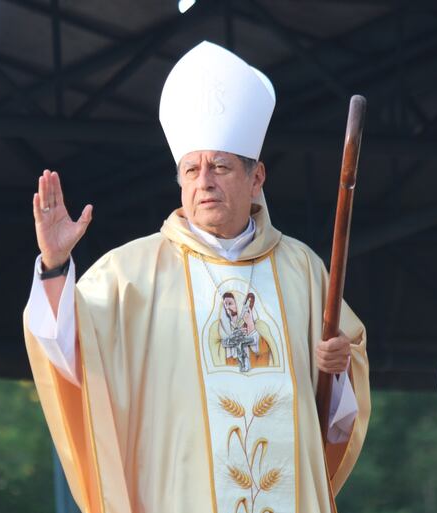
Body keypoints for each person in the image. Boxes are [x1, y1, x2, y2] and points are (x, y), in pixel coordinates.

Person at [23, 41, 370, 513]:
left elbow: (334, 417)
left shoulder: (302, 270)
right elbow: (67, 355)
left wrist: (338, 367)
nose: (204, 179)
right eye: (191, 169)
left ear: (257, 177)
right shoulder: (130, 274)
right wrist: (56, 264)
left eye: (222, 166)